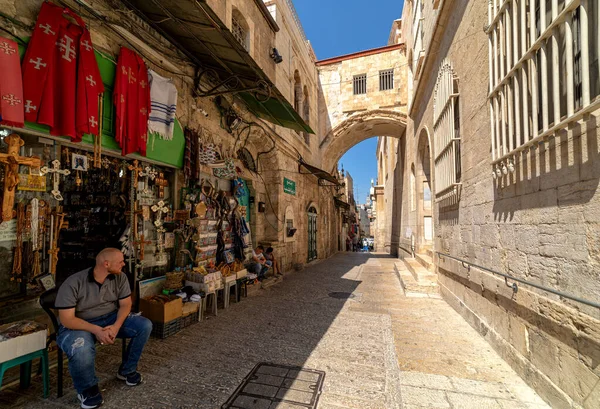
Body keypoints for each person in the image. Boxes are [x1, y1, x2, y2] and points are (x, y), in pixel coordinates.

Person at [55, 248, 153, 409]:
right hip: (79, 324)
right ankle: (87, 389)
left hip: (110, 318)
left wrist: (115, 326)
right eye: (120, 261)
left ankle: (127, 370)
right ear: (106, 264)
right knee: (81, 348)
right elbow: (67, 319)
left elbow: (125, 304)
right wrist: (96, 330)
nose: (123, 264)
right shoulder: (74, 282)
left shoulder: (120, 277)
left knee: (144, 325)